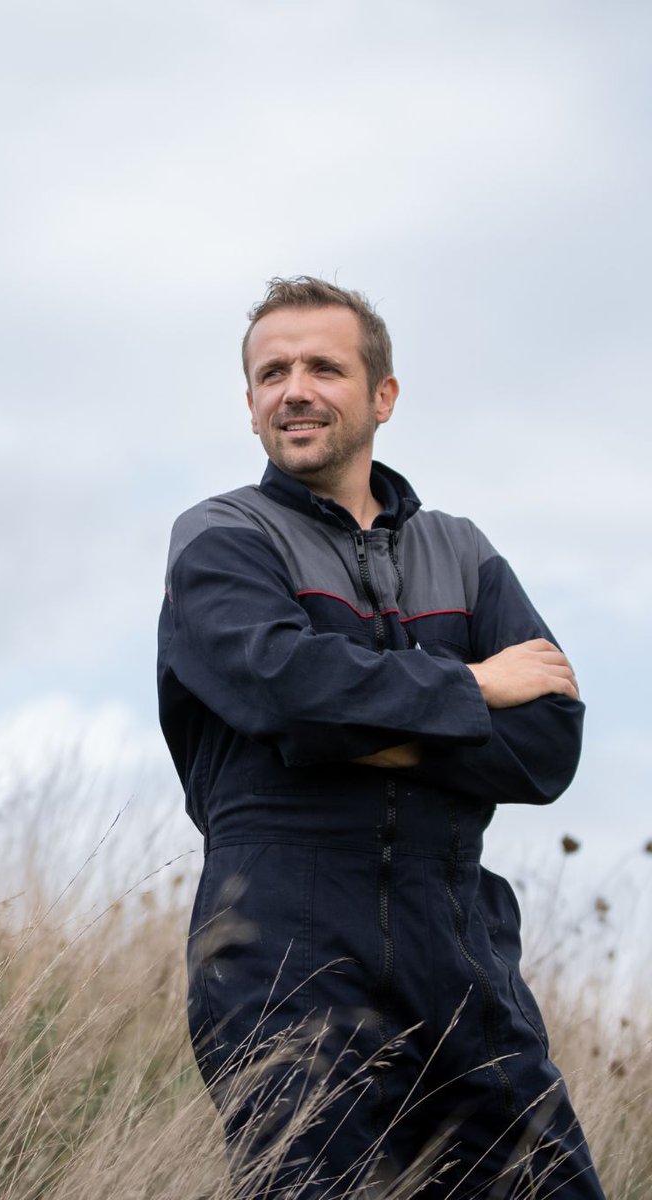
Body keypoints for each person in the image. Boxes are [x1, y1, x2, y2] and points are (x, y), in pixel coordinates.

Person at [157, 277, 605, 1198]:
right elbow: (290, 694)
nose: (295, 390)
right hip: (283, 938)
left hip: (459, 942)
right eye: (272, 373)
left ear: (383, 395)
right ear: (250, 403)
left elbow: (547, 744)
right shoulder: (222, 538)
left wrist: (348, 730)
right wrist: (474, 686)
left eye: (324, 368)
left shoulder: (462, 551)